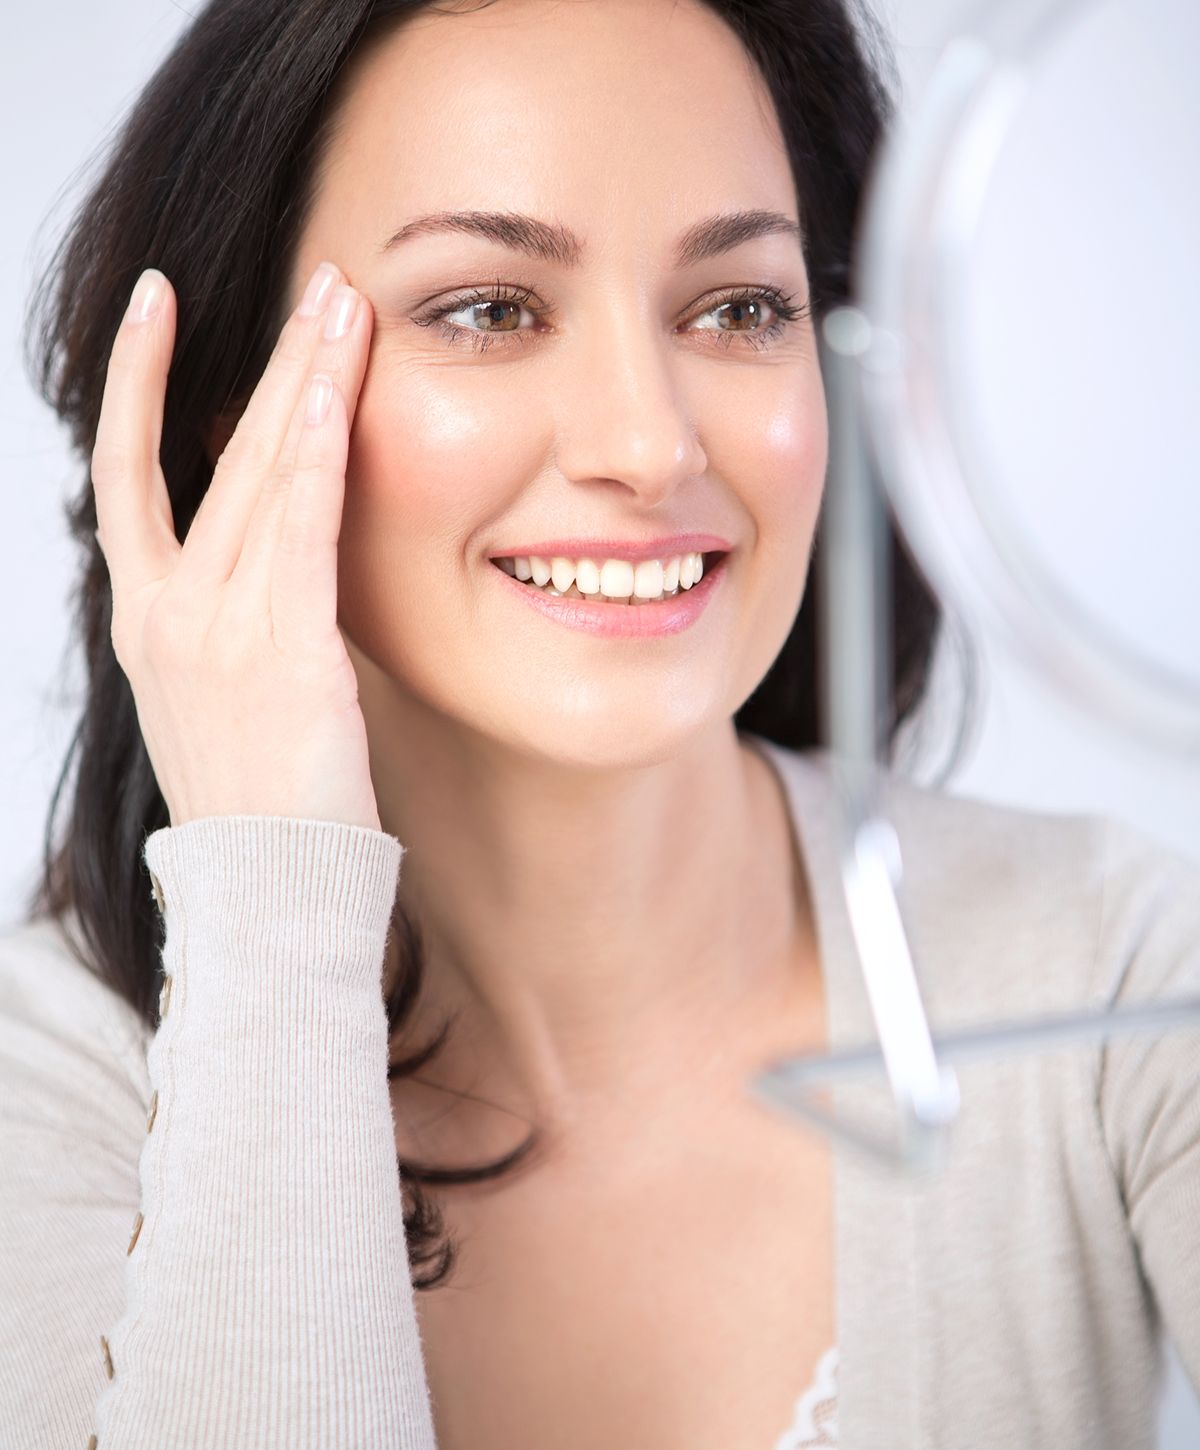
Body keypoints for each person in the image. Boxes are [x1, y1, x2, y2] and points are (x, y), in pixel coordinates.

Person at [1, 0, 1197, 1447]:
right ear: (224, 415)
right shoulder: (45, 1084)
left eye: (741, 306)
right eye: (491, 309)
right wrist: (268, 884)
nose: (648, 442)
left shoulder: (1121, 974)